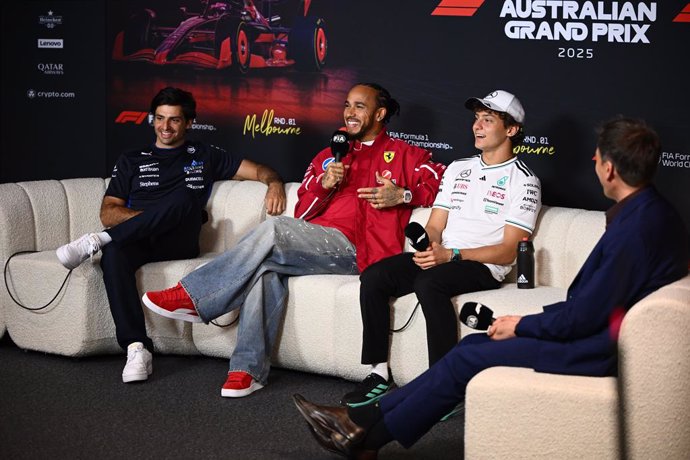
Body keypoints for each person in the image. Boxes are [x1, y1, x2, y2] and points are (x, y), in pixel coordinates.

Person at [293, 116, 689, 458]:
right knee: (470, 346)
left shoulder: (636, 228)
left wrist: (521, 324)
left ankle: (364, 433)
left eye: (598, 154)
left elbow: (585, 314)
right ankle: (363, 429)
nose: (592, 159)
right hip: (592, 334)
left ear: (610, 170)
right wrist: (527, 321)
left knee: (467, 355)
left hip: (593, 350)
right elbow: (593, 303)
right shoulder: (647, 212)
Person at [141, 83, 447, 398]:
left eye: (359, 106)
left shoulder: (408, 154)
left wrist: (403, 194)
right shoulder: (331, 154)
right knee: (265, 270)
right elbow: (303, 209)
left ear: (380, 113)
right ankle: (248, 370)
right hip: (318, 243)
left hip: (362, 251)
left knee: (275, 230)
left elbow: (442, 185)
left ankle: (196, 295)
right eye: (347, 105)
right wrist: (325, 185)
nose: (349, 113)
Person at [55, 86, 286, 383]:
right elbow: (108, 213)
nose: (165, 126)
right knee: (114, 256)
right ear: (152, 119)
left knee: (185, 201)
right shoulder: (132, 158)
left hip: (180, 240)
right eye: (160, 118)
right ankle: (137, 347)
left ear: (189, 122)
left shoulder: (204, 155)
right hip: (140, 241)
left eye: (174, 120)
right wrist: (153, 220)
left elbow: (259, 170)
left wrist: (275, 183)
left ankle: (99, 239)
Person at [341, 90, 541, 407]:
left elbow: (507, 252)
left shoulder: (525, 180)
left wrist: (452, 255)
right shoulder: (458, 168)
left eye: (488, 120)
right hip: (445, 258)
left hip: (482, 266)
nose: (478, 126)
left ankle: (444, 387)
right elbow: (435, 225)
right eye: (476, 119)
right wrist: (429, 245)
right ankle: (379, 374)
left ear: (512, 130)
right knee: (376, 276)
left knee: (429, 282)